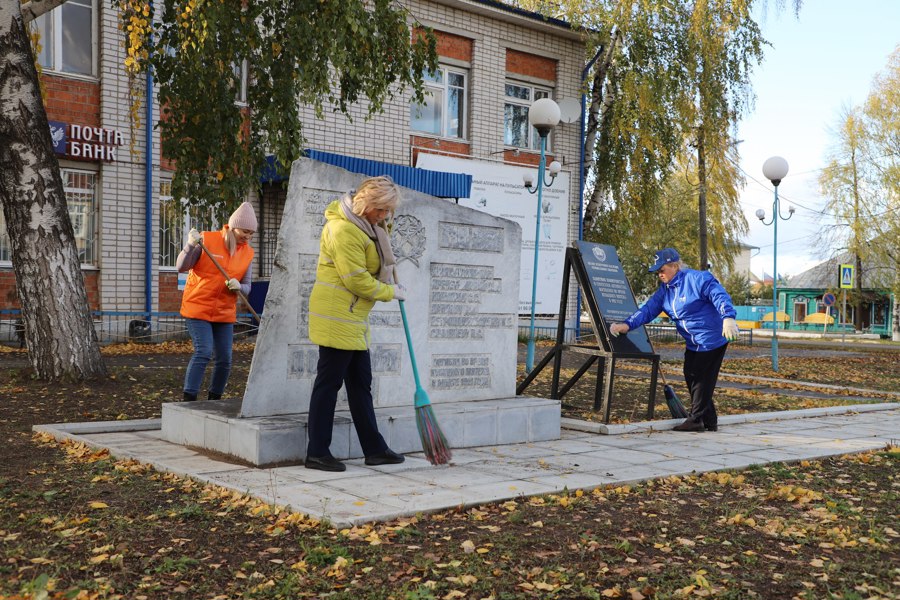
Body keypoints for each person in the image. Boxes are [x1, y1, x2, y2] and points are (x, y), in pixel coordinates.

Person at [305, 176, 408, 472]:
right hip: (337, 315)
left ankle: (374, 449)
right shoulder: (342, 229)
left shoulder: (367, 228)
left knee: (361, 384)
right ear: (367, 204)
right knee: (328, 384)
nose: (384, 216)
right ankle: (317, 452)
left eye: (388, 211)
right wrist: (391, 292)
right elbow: (356, 279)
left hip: (352, 317)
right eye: (381, 210)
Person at [609, 248, 740, 432]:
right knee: (691, 375)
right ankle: (709, 419)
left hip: (712, 338)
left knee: (701, 378)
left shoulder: (697, 279)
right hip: (693, 342)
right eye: (658, 272)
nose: (660, 275)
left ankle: (696, 420)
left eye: (662, 270)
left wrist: (728, 316)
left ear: (675, 265)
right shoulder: (665, 291)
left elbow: (719, 295)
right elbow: (648, 310)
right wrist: (627, 325)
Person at [177, 202, 257, 402]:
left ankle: (215, 400)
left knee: (225, 359)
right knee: (203, 352)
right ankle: (189, 400)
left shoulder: (248, 253)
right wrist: (190, 245)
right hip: (198, 307)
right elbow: (181, 267)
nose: (247, 237)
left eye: (251, 233)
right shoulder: (207, 241)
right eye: (244, 231)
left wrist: (239, 286)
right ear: (233, 226)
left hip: (224, 311)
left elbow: (247, 287)